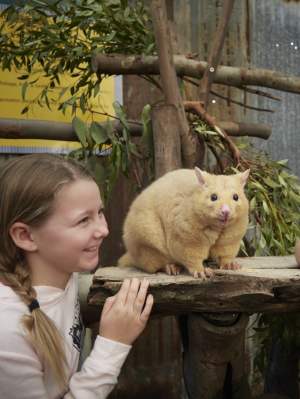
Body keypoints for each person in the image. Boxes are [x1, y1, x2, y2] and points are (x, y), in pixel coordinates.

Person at [0, 153, 154, 399]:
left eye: (100, 213)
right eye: (83, 220)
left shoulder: (62, 274)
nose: (104, 230)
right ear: (26, 236)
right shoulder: (7, 332)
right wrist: (112, 345)